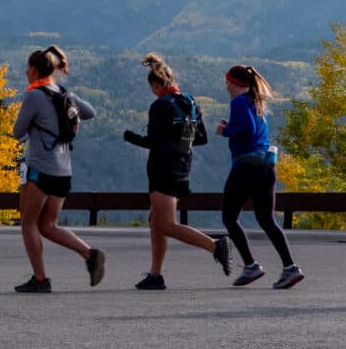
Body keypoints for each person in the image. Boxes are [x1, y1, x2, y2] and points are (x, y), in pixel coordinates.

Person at [122, 53, 228, 288]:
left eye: (152, 87)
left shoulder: (160, 106)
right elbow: (201, 139)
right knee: (155, 220)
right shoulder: (189, 102)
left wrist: (131, 137)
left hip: (162, 170)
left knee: (166, 224)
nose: (153, 91)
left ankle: (215, 245)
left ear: (157, 84)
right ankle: (155, 274)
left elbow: (153, 142)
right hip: (183, 167)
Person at [8, 46, 105, 293]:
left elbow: (17, 132)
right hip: (64, 171)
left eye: (27, 68)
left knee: (28, 222)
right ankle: (89, 254)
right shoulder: (64, 93)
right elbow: (90, 112)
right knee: (48, 225)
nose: (26, 72)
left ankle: (40, 279)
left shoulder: (34, 96)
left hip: (40, 169)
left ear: (33, 70)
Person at [217, 64, 304, 290]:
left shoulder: (238, 102)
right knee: (267, 220)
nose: (226, 86)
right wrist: (233, 127)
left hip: (246, 166)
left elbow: (248, 130)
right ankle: (290, 267)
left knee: (229, 217)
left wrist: (225, 131)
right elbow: (254, 128)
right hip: (266, 166)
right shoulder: (257, 102)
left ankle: (250, 265)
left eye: (227, 82)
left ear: (235, 83)